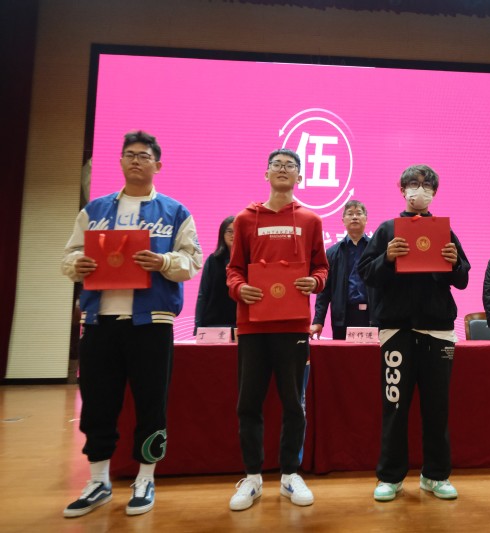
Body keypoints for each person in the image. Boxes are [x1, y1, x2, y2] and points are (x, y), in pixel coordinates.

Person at [61, 131, 202, 517]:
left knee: (151, 402)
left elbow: (192, 261)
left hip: (151, 324)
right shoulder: (95, 210)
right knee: (97, 403)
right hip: (99, 322)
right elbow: (68, 256)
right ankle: (98, 480)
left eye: (144, 155)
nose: (136, 160)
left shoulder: (175, 211)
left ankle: (145, 478)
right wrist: (78, 264)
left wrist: (163, 262)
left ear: (158, 165)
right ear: (121, 162)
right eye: (129, 155)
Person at [358, 164, 470, 502]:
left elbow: (462, 279)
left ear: (434, 192)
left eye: (426, 185)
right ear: (402, 188)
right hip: (398, 332)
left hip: (438, 332)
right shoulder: (386, 229)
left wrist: (454, 263)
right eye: (413, 184)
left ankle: (435, 475)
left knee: (437, 408)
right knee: (394, 406)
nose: (419, 190)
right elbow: (366, 274)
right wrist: (387, 258)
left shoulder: (444, 231)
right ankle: (390, 477)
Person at [226, 148, 328, 511]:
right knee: (248, 403)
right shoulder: (244, 218)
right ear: (266, 173)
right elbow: (234, 269)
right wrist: (240, 289)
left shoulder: (311, 219)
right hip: (252, 326)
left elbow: (321, 268)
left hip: (294, 325)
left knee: (293, 404)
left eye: (290, 166)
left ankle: (289, 475)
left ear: (300, 176)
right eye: (277, 165)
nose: (283, 169)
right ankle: (252, 477)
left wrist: (314, 283)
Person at [310, 200, 375, 340]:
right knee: (342, 353)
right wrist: (318, 321)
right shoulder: (332, 253)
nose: (354, 217)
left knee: (370, 354)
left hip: (371, 316)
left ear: (366, 219)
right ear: (343, 220)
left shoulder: (376, 250)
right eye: (350, 214)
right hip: (343, 317)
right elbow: (324, 292)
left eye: (359, 213)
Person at [194, 216, 236, 335]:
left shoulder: (249, 260)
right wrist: (198, 326)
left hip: (241, 325)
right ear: (222, 234)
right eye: (229, 231)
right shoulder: (213, 260)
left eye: (237, 231)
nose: (233, 235)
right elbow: (203, 294)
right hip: (213, 325)